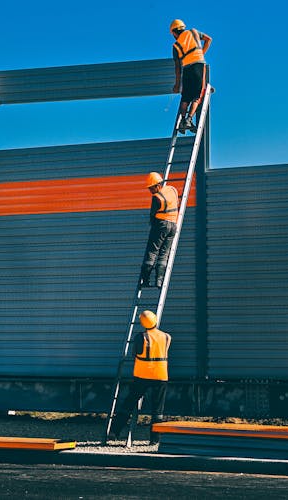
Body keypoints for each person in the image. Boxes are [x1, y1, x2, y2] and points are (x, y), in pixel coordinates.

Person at [110, 310, 171, 444]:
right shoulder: (167, 337)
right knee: (157, 410)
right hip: (161, 375)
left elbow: (135, 354)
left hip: (142, 375)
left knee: (129, 403)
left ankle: (114, 431)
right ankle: (155, 439)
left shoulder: (140, 337)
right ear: (155, 320)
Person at [170, 19, 212, 134]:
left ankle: (183, 120)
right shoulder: (194, 32)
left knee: (185, 96)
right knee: (197, 96)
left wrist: (177, 85)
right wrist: (201, 53)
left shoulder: (175, 45)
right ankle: (189, 119)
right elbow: (209, 40)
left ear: (174, 32)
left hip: (186, 68)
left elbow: (177, 68)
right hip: (198, 66)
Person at [139, 172, 179, 288]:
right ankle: (159, 281)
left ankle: (145, 280)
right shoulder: (172, 190)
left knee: (152, 251)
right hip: (173, 225)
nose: (150, 191)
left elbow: (152, 216)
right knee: (164, 253)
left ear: (158, 185)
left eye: (151, 188)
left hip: (161, 225)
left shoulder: (156, 198)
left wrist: (153, 227)